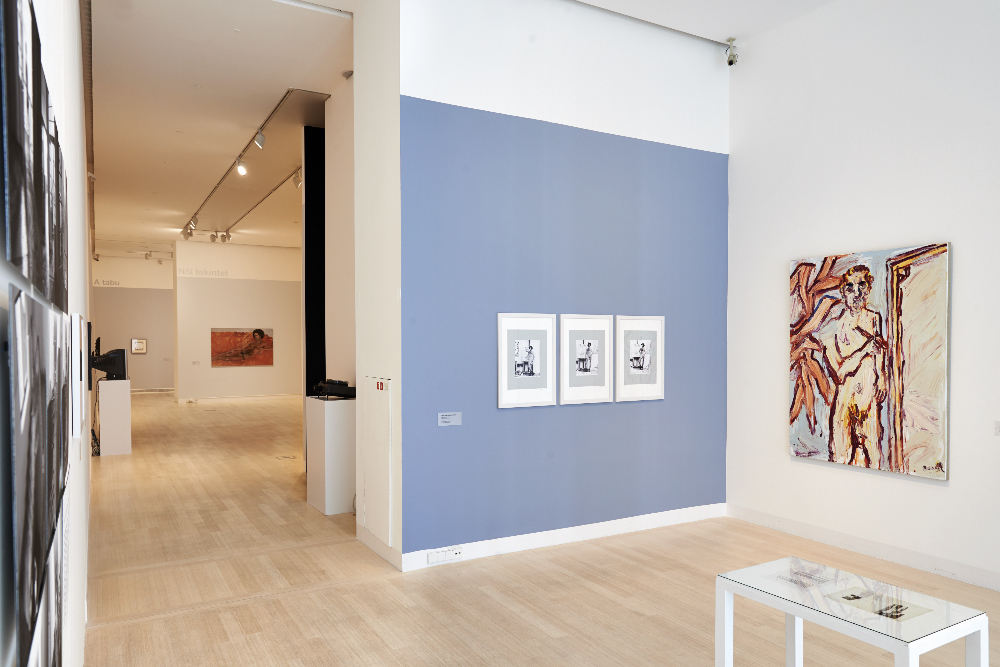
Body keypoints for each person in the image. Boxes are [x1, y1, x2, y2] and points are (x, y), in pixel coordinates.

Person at [820, 265, 887, 468]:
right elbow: (839, 373)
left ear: (868, 289)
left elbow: (879, 352)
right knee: (840, 458)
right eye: (850, 287)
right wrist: (864, 349)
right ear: (843, 292)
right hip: (845, 401)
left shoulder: (874, 319)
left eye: (861, 286)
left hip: (869, 400)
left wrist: (882, 377)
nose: (856, 293)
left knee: (874, 461)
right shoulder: (832, 327)